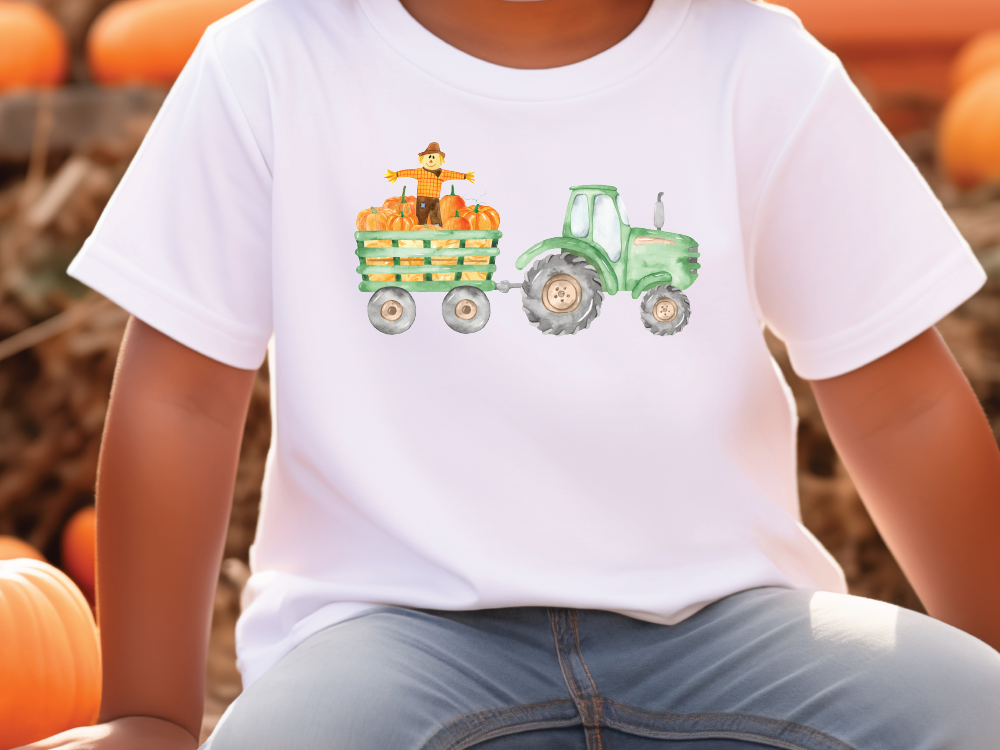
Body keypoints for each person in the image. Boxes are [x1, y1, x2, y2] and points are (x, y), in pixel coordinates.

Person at [22, 0, 1000, 749]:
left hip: (734, 626)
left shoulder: (757, 66)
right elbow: (180, 399)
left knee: (970, 712)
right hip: (391, 636)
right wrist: (150, 714)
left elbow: (904, 402)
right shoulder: (272, 62)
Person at [385, 141, 475, 225]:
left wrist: (465, 176)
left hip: (434, 200)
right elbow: (408, 172)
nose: (431, 160)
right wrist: (396, 174)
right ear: (422, 159)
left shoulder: (442, 173)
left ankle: (437, 231)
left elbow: (452, 174)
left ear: (440, 161)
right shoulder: (420, 172)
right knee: (421, 216)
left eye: (434, 157)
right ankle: (420, 230)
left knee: (435, 216)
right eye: (429, 157)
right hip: (422, 199)